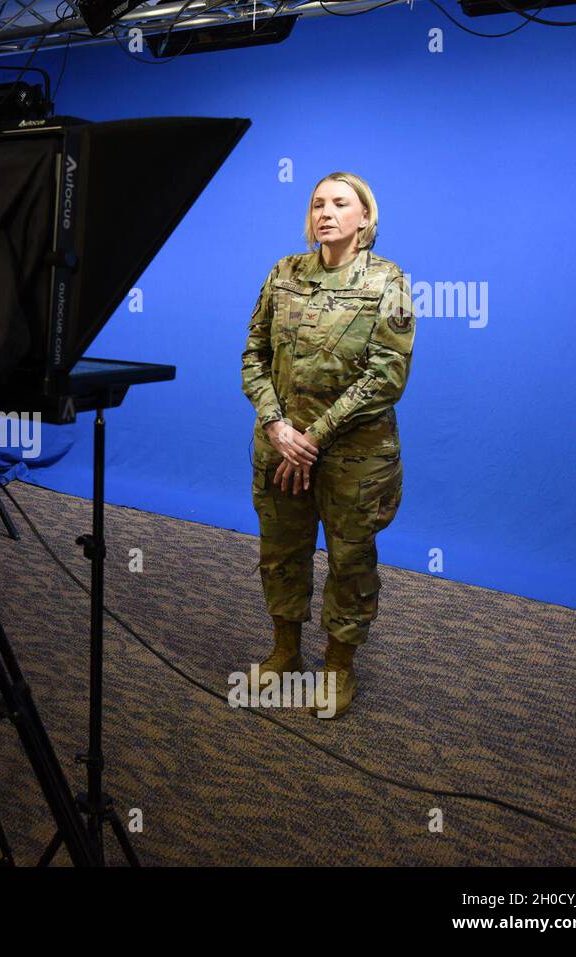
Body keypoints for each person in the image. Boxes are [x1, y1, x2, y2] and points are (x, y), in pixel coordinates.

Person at [240, 171, 416, 719]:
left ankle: (339, 666)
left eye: (341, 203)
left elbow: (387, 376)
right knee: (281, 553)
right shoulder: (283, 273)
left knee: (350, 560)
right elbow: (254, 355)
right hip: (281, 447)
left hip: (353, 459)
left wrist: (312, 437)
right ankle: (285, 651)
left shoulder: (387, 281)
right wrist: (276, 426)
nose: (327, 212)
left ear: (365, 217)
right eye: (319, 203)